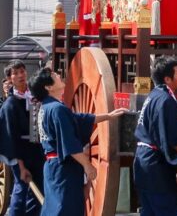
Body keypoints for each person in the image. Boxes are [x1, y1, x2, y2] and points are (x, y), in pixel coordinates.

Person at [31, 67, 124, 216]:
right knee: (66, 208)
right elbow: (70, 143)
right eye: (53, 75)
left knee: (55, 208)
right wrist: (88, 166)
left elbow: (79, 119)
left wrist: (107, 116)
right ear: (48, 87)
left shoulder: (46, 108)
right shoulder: (57, 109)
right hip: (64, 168)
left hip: (53, 167)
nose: (58, 74)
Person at [134, 56, 177, 216]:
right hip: (155, 165)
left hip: (144, 160)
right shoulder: (165, 100)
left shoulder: (156, 94)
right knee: (168, 209)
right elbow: (171, 137)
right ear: (167, 78)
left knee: (150, 210)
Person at [0, 60, 44, 216]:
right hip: (20, 153)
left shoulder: (34, 96)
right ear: (10, 78)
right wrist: (20, 165)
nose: (20, 75)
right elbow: (10, 137)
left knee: (39, 190)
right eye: (15, 73)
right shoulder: (9, 105)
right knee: (21, 188)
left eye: (22, 71)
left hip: (37, 149)